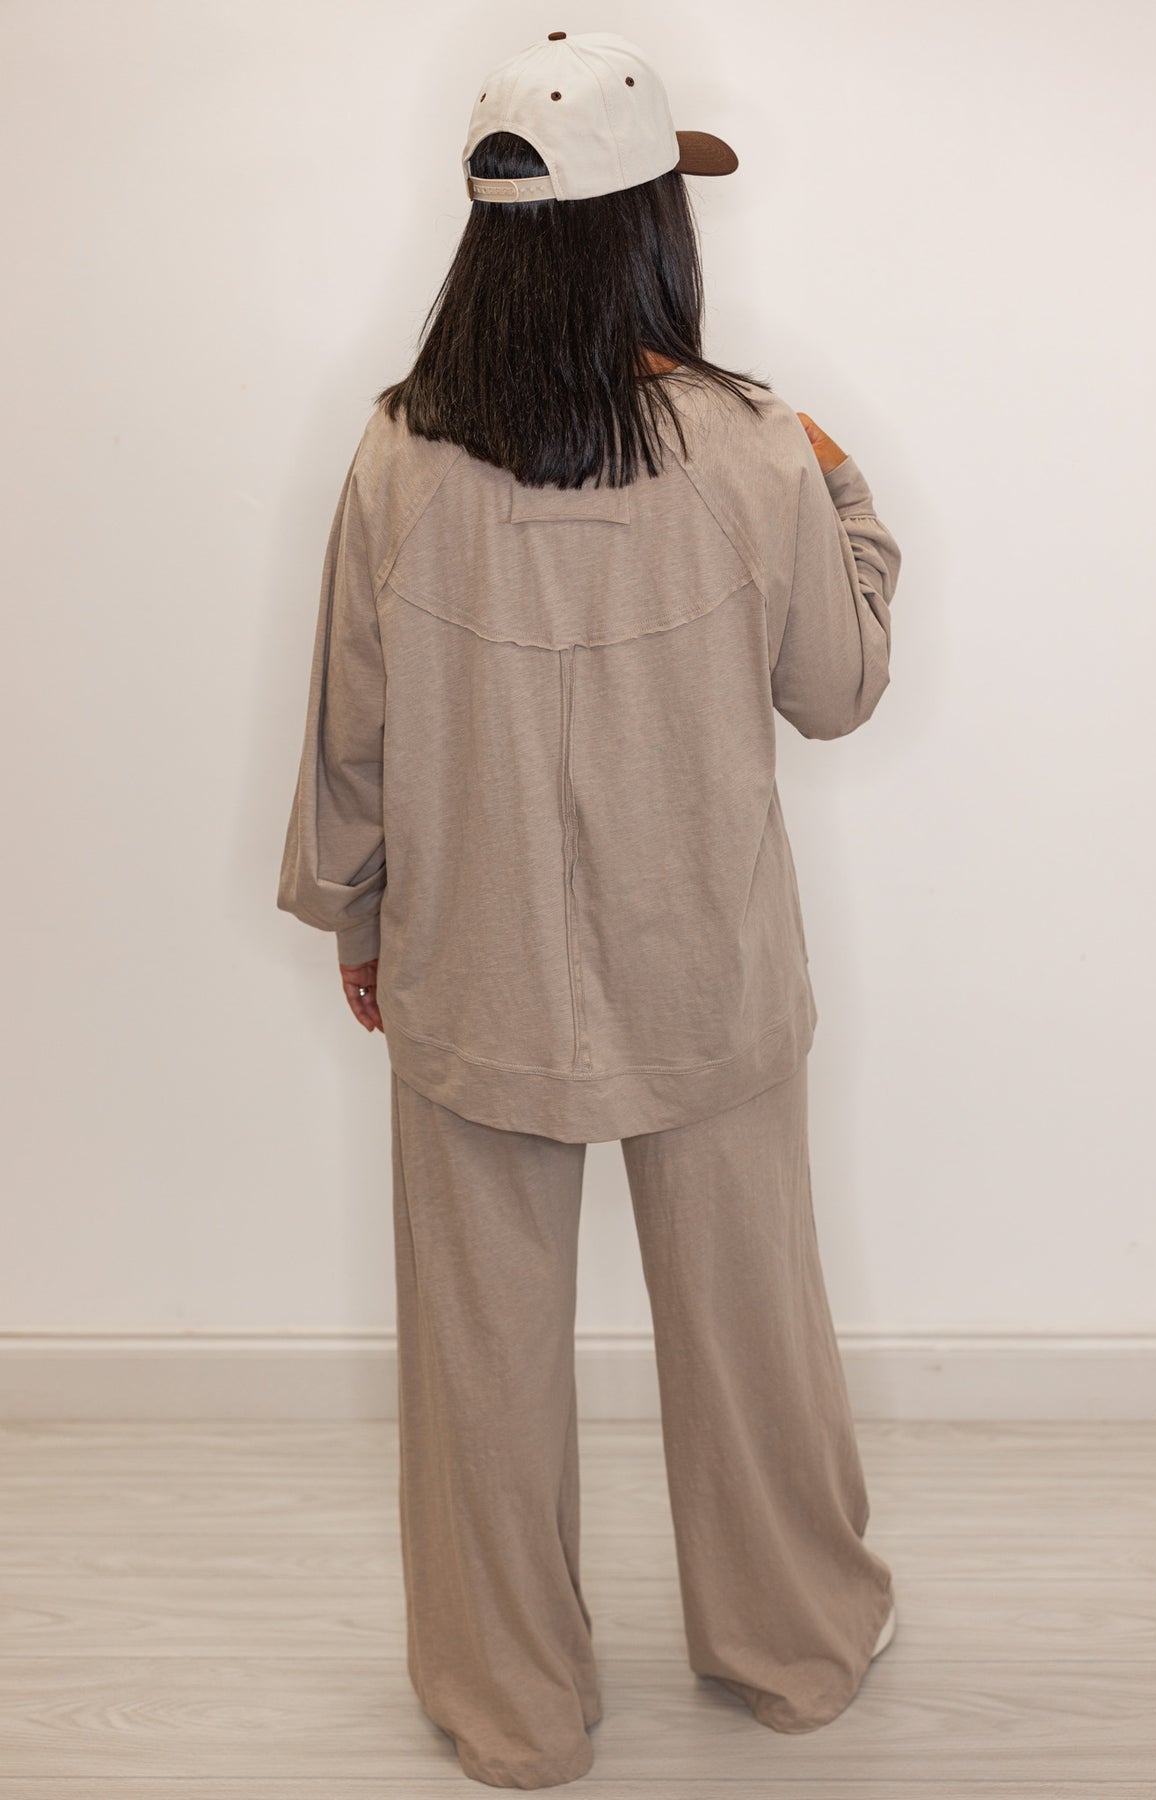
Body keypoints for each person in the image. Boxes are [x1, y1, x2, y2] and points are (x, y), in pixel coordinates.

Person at [277, 29, 901, 1791]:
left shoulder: (400, 451)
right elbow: (838, 689)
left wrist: (354, 916)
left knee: (477, 1358)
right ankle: (791, 1650)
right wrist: (845, 494)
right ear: (645, 228)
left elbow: (350, 725)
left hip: (470, 964)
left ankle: (512, 1708)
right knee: (750, 1331)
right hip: (707, 963)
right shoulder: (753, 447)